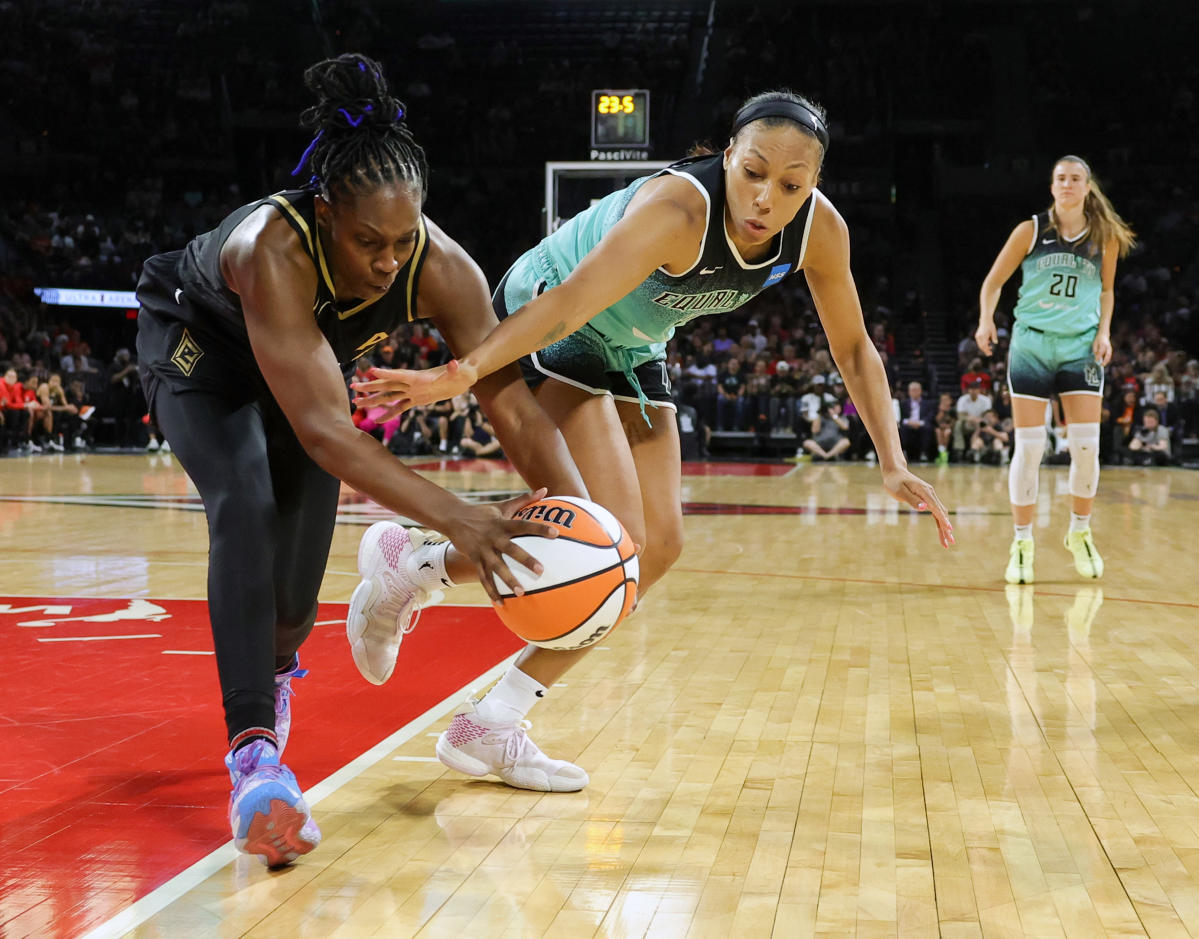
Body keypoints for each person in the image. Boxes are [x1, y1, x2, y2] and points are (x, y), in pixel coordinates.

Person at [352, 90, 954, 787]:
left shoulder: (818, 231)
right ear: (726, 155)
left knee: (657, 548)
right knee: (604, 539)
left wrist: (891, 460)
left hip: (635, 345)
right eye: (752, 170)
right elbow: (569, 302)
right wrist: (464, 371)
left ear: (811, 185)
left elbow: (852, 348)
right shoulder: (674, 213)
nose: (765, 196)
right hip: (553, 313)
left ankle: (480, 704)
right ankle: (420, 574)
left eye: (790, 184)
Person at [134, 54, 584, 867]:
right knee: (245, 502)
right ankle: (253, 761)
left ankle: (276, 678)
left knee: (293, 608)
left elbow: (510, 402)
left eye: (402, 239)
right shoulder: (270, 247)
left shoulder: (442, 267)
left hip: (298, 379)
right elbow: (325, 433)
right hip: (201, 356)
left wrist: (581, 514)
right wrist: (458, 516)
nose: (387, 260)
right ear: (324, 210)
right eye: (367, 240)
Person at [976, 155, 1136, 584]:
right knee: (1030, 449)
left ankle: (1079, 532)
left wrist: (1105, 332)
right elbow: (993, 281)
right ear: (1052, 187)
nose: (1067, 184)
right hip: (1031, 343)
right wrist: (986, 319)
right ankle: (1022, 542)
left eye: (1075, 178)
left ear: (1087, 187)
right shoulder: (1030, 230)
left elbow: (1106, 291)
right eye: (1061, 178)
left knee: (1086, 448)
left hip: (1080, 347)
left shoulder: (1105, 237)